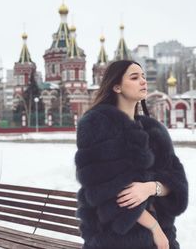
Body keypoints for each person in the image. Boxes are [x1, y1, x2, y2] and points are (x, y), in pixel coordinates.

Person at [75, 60, 188, 249]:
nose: (143, 81)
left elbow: (177, 182)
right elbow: (108, 192)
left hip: (162, 237)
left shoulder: (154, 130)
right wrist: (154, 228)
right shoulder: (97, 124)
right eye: (134, 77)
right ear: (117, 86)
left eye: (143, 76)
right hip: (115, 238)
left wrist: (151, 187)